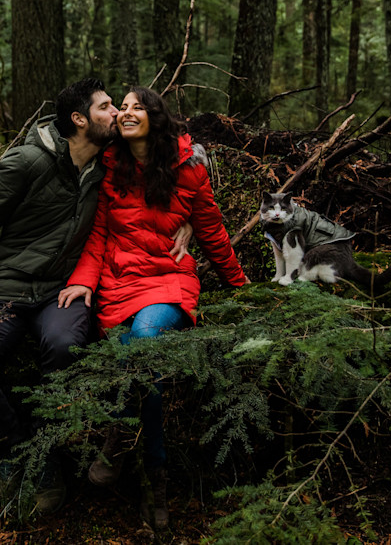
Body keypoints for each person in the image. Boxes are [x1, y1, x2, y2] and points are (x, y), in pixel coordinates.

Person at [0, 77, 189, 515]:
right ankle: (17, 452)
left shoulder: (109, 162)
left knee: (64, 347)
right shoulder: (26, 162)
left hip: (63, 290)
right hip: (7, 287)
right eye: (107, 107)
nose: (118, 113)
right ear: (79, 120)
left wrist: (184, 221)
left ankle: (45, 465)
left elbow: (179, 147)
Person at [59, 85, 249, 528]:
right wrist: (83, 283)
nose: (125, 113)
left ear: (155, 117)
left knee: (143, 339)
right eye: (121, 108)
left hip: (169, 282)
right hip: (118, 284)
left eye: (136, 107)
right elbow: (99, 236)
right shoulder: (110, 167)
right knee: (133, 354)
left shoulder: (188, 170)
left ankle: (129, 449)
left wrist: (240, 287)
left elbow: (214, 233)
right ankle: (150, 475)